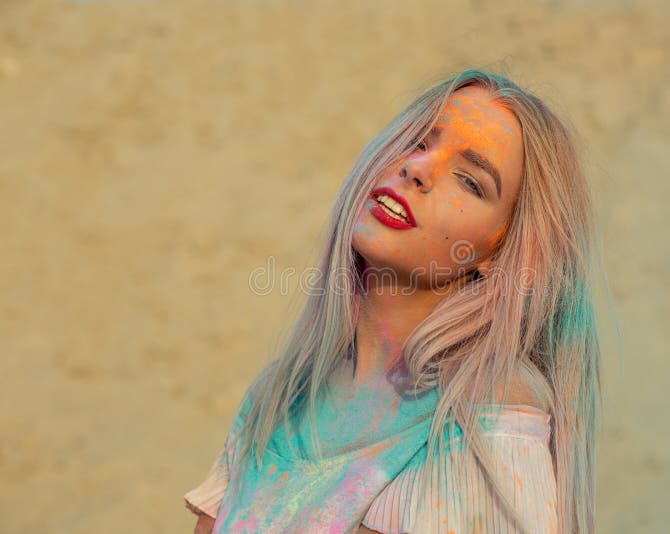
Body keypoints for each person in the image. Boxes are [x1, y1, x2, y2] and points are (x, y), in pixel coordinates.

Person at [183, 67, 604, 533]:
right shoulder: (279, 397)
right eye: (419, 141)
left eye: (470, 181)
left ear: (500, 251)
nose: (418, 168)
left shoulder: (489, 416)